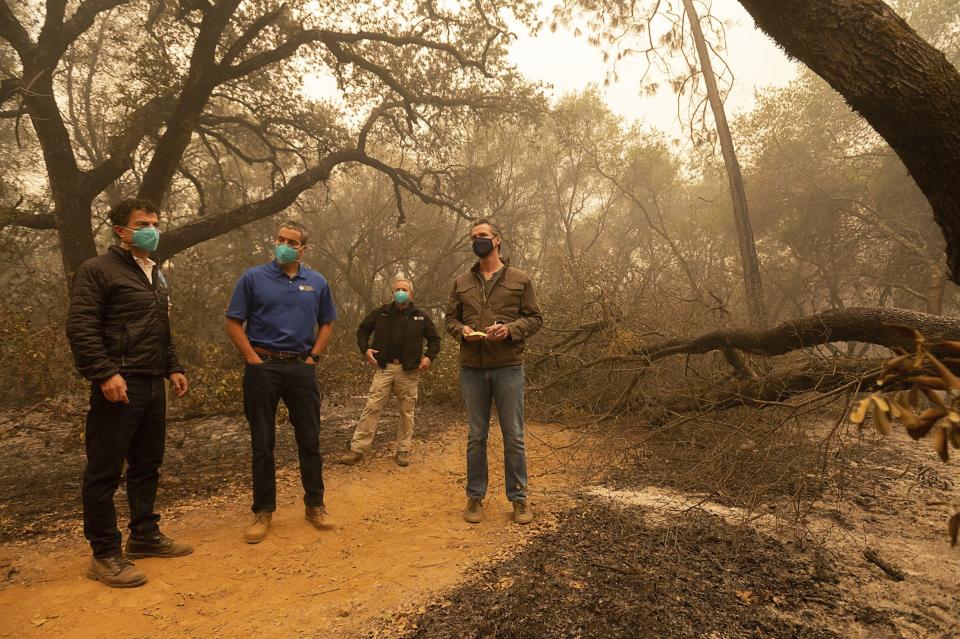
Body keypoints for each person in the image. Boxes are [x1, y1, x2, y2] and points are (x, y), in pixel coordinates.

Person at [66, 197, 192, 588]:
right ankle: (104, 554)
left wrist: (173, 366)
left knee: (146, 465)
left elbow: (160, 327)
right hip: (118, 385)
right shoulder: (97, 271)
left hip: (153, 383)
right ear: (120, 230)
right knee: (104, 471)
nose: (151, 229)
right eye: (142, 223)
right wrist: (105, 373)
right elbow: (81, 327)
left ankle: (144, 535)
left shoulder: (155, 273)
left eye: (155, 222)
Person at [225, 221, 337, 544]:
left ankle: (315, 505)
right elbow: (233, 322)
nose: (284, 244)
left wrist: (313, 358)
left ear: (304, 249)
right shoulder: (253, 278)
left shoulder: (316, 282)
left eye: (291, 241)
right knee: (262, 441)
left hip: (301, 368)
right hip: (263, 367)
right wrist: (251, 359)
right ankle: (263, 512)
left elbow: (327, 323)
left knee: (310, 439)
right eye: (280, 239)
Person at [445, 218, 543, 525]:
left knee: (513, 435)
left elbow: (535, 319)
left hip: (508, 367)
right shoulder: (461, 281)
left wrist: (510, 329)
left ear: (497, 240)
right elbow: (449, 320)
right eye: (474, 237)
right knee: (476, 436)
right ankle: (475, 497)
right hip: (472, 368)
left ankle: (519, 499)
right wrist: (461, 330)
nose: (478, 241)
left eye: (483, 236)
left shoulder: (520, 279)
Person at [338, 277, 441, 467]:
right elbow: (362, 330)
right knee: (372, 407)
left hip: (409, 371)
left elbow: (435, 340)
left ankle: (403, 450)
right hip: (383, 369)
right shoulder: (381, 313)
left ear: (411, 293)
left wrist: (429, 357)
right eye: (397, 289)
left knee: (406, 412)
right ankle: (357, 449)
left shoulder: (420, 316)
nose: (400, 292)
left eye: (404, 289)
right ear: (392, 292)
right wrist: (365, 349)